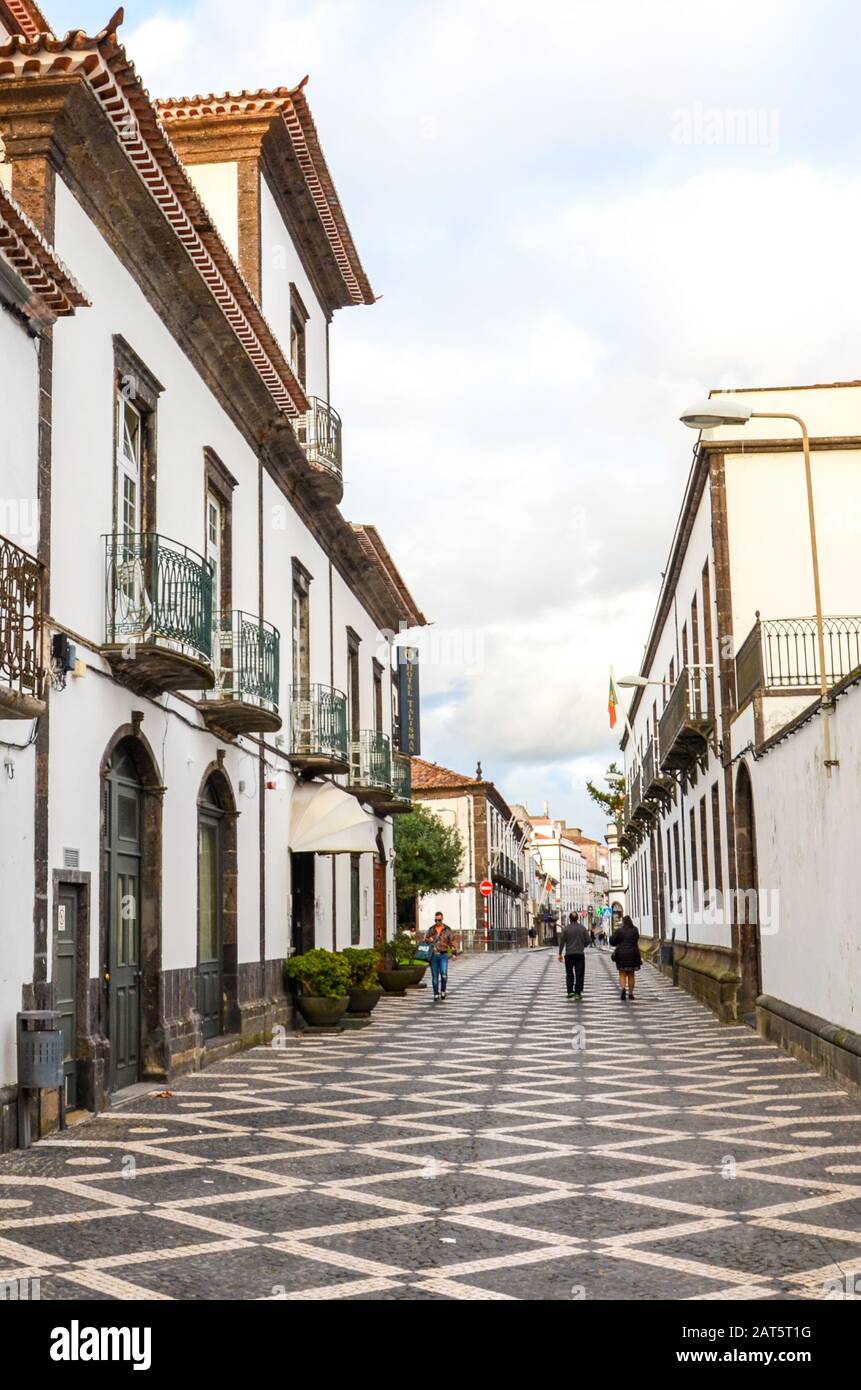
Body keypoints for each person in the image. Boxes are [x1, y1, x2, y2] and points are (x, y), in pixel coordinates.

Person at [557, 911, 590, 1000]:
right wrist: (583, 945)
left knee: (569, 973)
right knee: (579, 973)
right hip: (579, 954)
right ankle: (578, 992)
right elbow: (588, 940)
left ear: (569, 919)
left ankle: (570, 991)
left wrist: (560, 953)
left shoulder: (566, 929)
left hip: (569, 954)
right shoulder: (582, 928)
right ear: (577, 918)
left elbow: (562, 942)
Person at [610, 914, 642, 1001]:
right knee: (631, 974)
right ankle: (631, 993)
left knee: (622, 973)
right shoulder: (635, 930)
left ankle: (623, 988)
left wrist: (618, 941)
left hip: (621, 954)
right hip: (632, 954)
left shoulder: (620, 930)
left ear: (623, 922)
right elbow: (636, 939)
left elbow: (612, 941)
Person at [424, 912, 455, 1001]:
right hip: (433, 956)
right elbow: (425, 939)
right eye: (436, 920)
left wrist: (453, 953)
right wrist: (428, 940)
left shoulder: (447, 929)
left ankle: (443, 990)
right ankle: (436, 993)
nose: (437, 921)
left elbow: (452, 941)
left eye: (439, 920)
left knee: (444, 975)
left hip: (443, 955)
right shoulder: (431, 929)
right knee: (434, 977)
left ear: (442, 919)